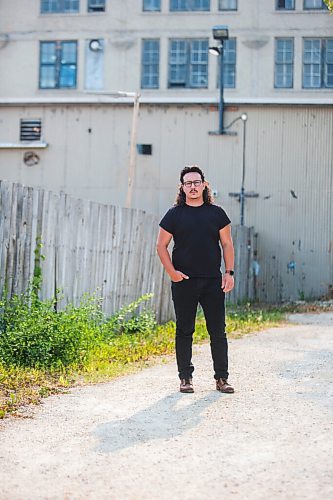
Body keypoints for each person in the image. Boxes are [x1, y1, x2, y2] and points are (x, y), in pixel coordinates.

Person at [156, 165, 235, 394]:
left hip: (213, 281)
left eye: (196, 182)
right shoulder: (174, 214)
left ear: (204, 185)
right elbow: (161, 246)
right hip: (184, 282)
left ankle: (221, 379)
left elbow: (227, 244)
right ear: (182, 187)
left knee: (218, 331)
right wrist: (172, 273)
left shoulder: (216, 213)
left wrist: (229, 273)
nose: (193, 186)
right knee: (184, 330)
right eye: (188, 183)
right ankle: (185, 378)